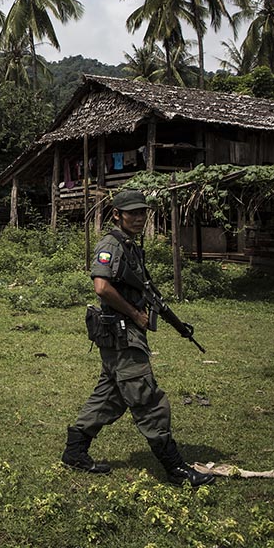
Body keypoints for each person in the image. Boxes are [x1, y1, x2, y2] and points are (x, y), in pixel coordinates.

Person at [61, 189, 215, 486]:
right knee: (148, 399)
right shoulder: (111, 244)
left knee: (110, 396)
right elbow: (101, 287)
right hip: (122, 333)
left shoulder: (129, 246)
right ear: (117, 215)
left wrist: (175, 324)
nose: (139, 218)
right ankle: (176, 469)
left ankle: (74, 452)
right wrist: (134, 313)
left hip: (122, 335)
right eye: (132, 213)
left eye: (142, 212)